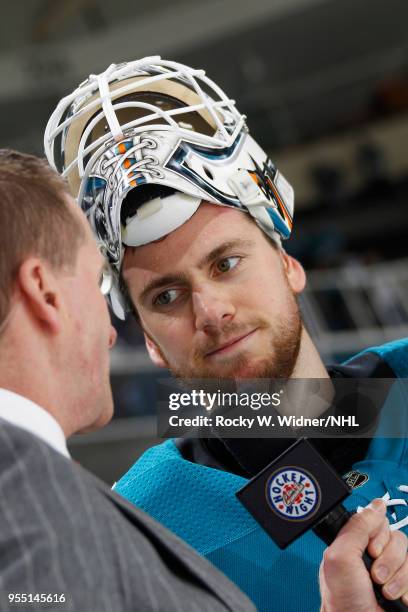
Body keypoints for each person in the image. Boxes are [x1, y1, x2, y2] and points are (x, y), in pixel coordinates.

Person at [44, 57, 408, 611]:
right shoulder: (139, 529)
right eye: (166, 297)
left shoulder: (401, 379)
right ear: (149, 341)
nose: (209, 312)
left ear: (287, 263)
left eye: (226, 264)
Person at [0, 149, 256, 612]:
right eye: (97, 282)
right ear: (44, 291)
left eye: (228, 265)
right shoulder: (30, 513)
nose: (113, 329)